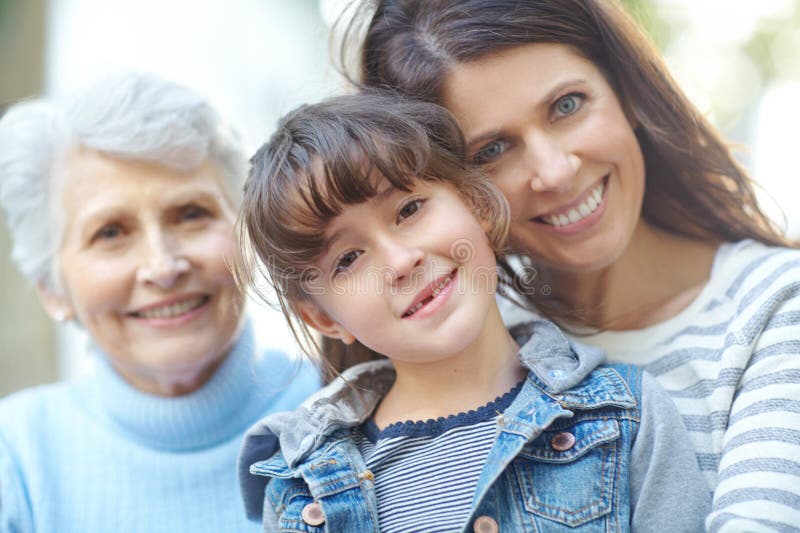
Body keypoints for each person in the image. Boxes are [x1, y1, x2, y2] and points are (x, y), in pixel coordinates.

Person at [346, 1, 800, 530]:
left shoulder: (773, 307)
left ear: (625, 90)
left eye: (567, 106)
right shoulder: (454, 344)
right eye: (492, 149)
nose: (554, 172)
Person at [235, 91, 710, 532]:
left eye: (409, 209)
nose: (402, 261)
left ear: (476, 202)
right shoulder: (302, 492)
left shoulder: (623, 416)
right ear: (323, 318)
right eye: (348, 259)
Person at [0, 73, 320, 533]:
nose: (163, 266)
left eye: (192, 214)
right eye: (110, 232)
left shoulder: (361, 410)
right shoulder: (16, 464)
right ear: (52, 290)